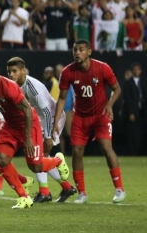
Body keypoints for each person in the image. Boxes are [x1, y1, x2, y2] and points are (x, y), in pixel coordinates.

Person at [0, 57, 70, 209]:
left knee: (36, 166)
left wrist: (27, 137)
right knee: (2, 159)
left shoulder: (8, 87)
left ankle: (58, 161)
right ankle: (24, 197)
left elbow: (27, 110)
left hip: (30, 124)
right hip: (10, 126)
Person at [52, 39, 125, 204]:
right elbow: (62, 98)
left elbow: (117, 89)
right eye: (75, 49)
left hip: (100, 115)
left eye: (81, 49)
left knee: (106, 148)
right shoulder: (68, 72)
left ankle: (119, 189)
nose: (77, 52)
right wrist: (56, 121)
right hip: (80, 116)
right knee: (77, 152)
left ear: (89, 52)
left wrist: (109, 104)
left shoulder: (102, 67)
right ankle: (82, 193)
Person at [6, 57, 77, 203]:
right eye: (9, 72)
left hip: (50, 118)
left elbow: (46, 111)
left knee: (38, 157)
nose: (11, 75)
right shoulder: (16, 85)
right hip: (39, 120)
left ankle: (47, 191)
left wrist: (48, 136)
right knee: (40, 157)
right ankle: (64, 187)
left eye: (14, 71)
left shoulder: (32, 87)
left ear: (23, 71)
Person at [122, 62, 146, 155]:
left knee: (140, 133)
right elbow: (127, 98)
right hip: (132, 112)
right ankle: (132, 152)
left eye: (138, 69)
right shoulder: (128, 83)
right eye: (135, 69)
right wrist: (131, 112)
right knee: (132, 133)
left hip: (141, 112)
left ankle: (139, 151)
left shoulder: (142, 82)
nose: (137, 71)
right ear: (132, 71)